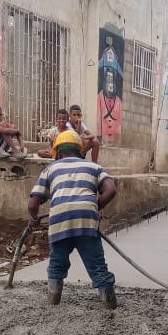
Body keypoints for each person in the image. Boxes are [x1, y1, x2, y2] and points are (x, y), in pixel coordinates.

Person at [27, 129, 117, 309]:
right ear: (80, 150)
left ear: (58, 152)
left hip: (59, 221)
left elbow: (33, 202)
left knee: (56, 264)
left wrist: (34, 217)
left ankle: (53, 301)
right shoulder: (93, 167)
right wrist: (94, 206)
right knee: (97, 265)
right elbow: (111, 189)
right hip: (86, 222)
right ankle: (109, 304)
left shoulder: (50, 169)